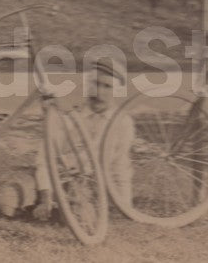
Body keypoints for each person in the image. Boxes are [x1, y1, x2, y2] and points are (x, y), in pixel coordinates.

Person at [31, 58, 135, 221]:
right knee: (3, 199)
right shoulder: (68, 115)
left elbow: (120, 168)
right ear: (87, 85)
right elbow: (44, 159)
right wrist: (45, 196)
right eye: (95, 84)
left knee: (82, 216)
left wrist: (125, 207)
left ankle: (61, 209)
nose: (98, 93)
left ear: (117, 91)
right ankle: (45, 205)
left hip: (87, 186)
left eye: (107, 86)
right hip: (53, 180)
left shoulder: (123, 124)